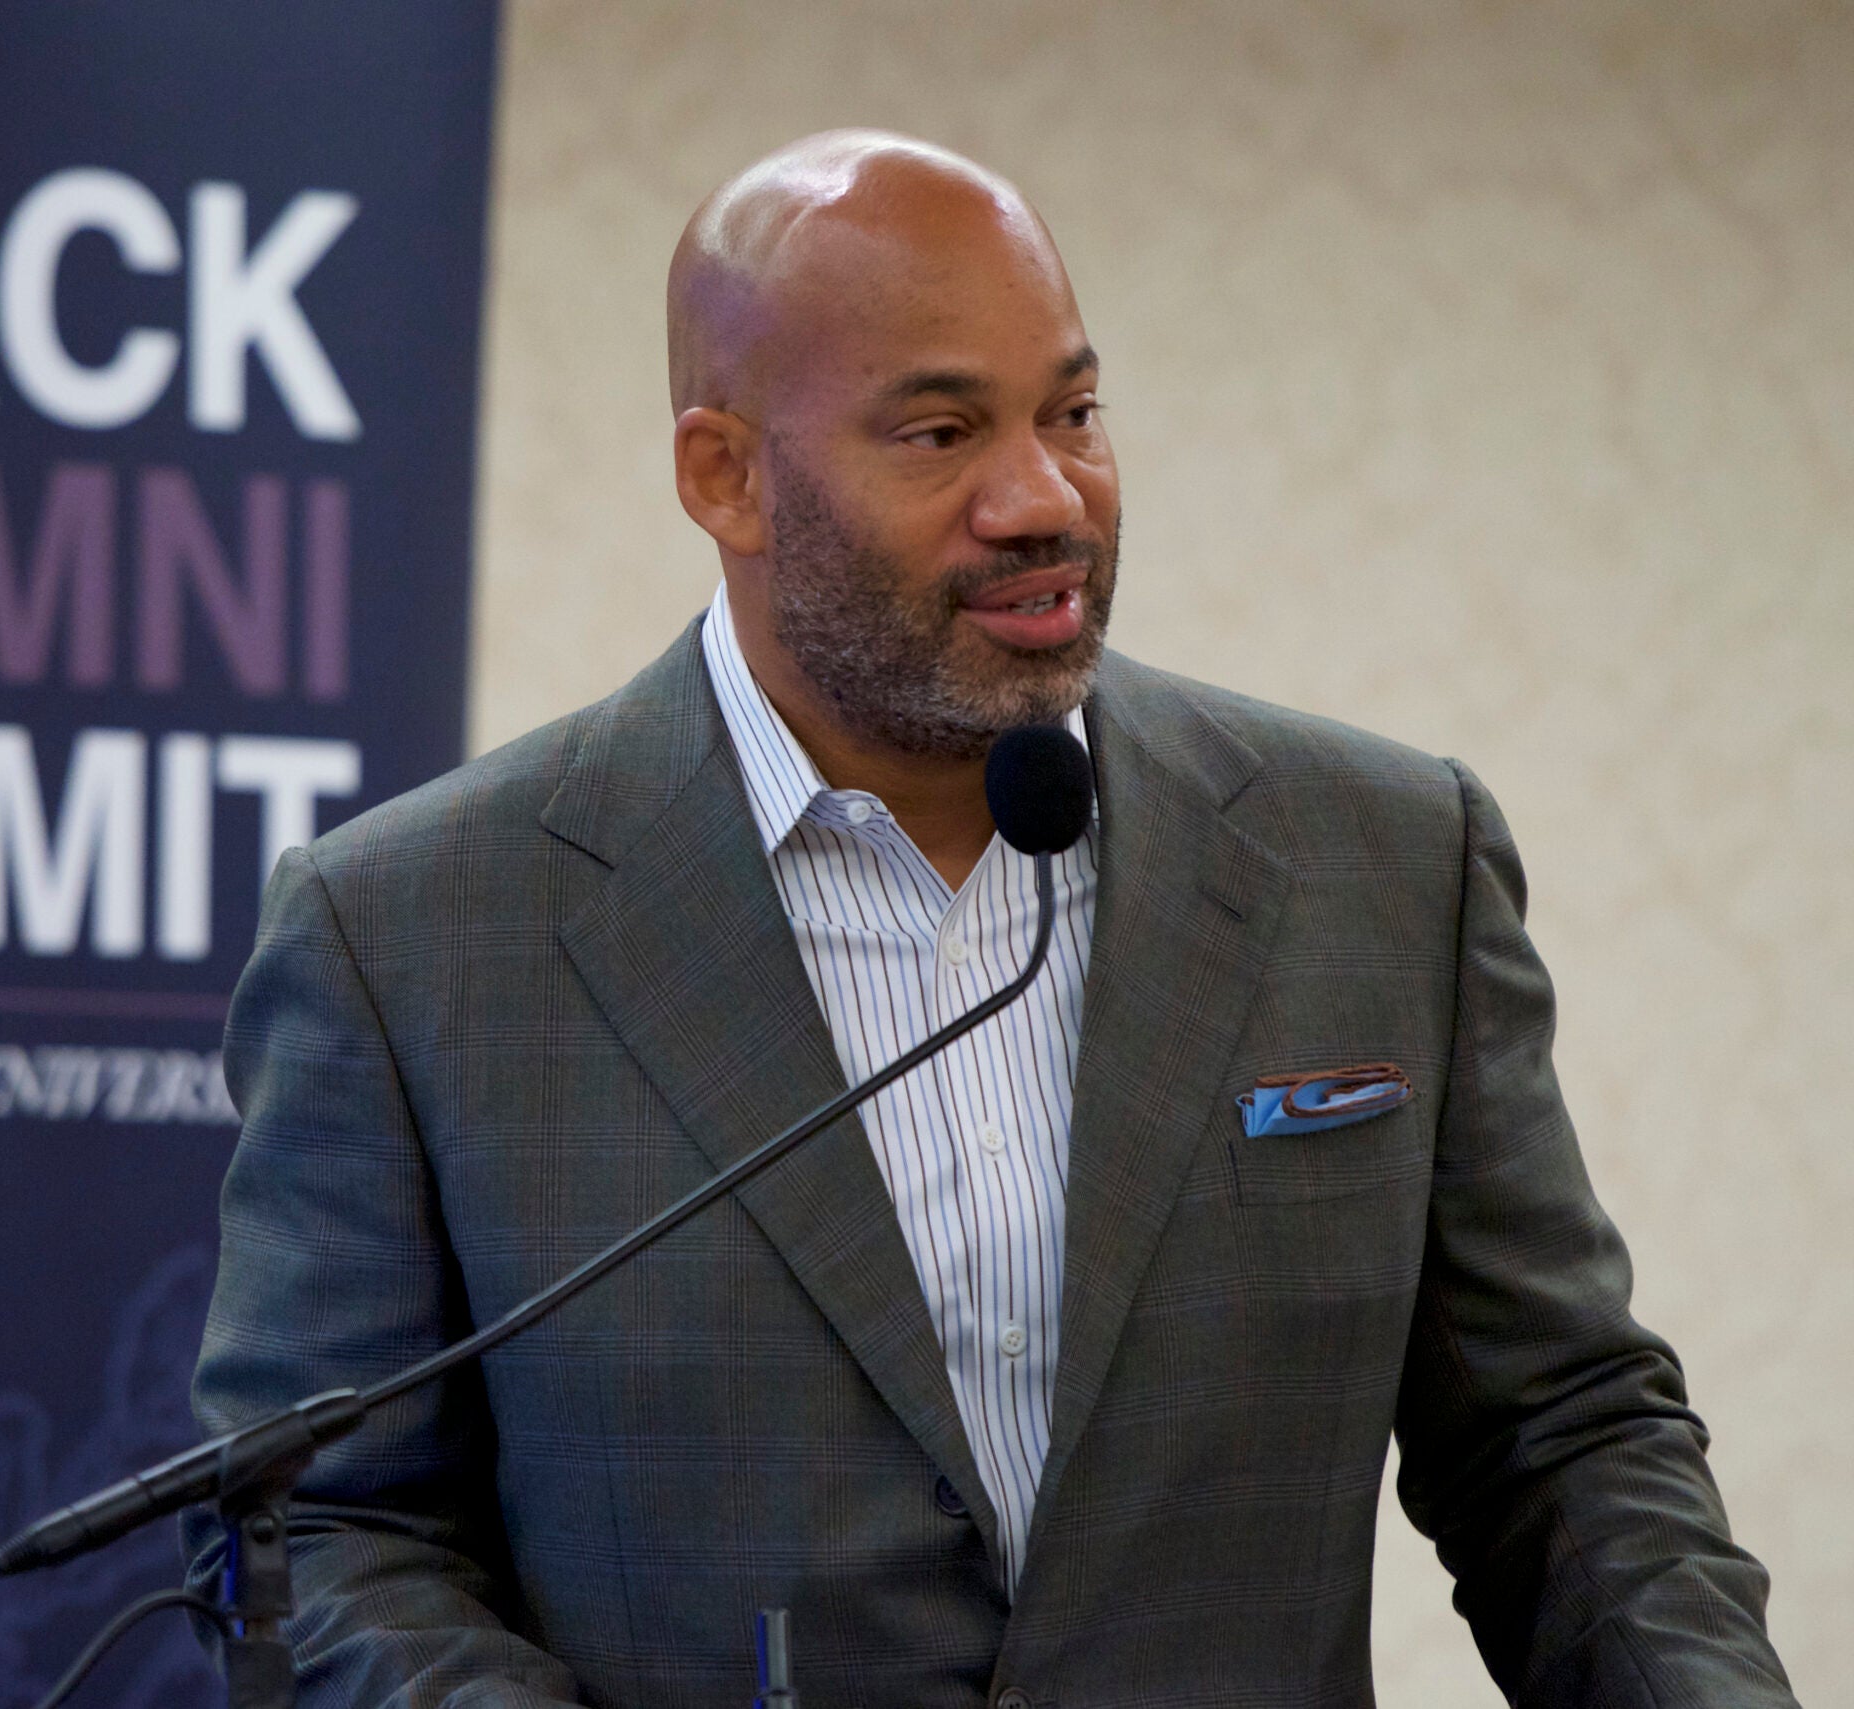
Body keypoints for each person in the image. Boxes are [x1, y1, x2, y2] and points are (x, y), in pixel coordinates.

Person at [184, 131, 1794, 1707]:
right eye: (941, 432)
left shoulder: (1381, 860)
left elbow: (1560, 1442)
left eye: (1072, 413)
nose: (1043, 498)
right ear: (725, 476)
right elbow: (318, 1533)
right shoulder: (411, 934)